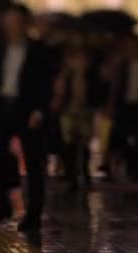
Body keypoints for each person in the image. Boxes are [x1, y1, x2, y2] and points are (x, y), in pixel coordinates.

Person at [0, 4, 50, 230]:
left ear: (25, 24)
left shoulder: (39, 50)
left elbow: (44, 84)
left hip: (26, 108)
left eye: (16, 21)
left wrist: (40, 111)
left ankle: (33, 214)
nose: (11, 26)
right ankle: (3, 203)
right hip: (2, 106)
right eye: (8, 21)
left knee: (33, 162)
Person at [51, 44, 102, 191]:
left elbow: (87, 96)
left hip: (85, 112)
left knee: (84, 144)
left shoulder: (90, 76)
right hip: (68, 112)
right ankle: (71, 175)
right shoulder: (65, 76)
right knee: (69, 145)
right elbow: (60, 94)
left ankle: (84, 172)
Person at [108, 35, 138, 182]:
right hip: (125, 104)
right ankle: (128, 160)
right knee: (121, 135)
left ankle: (136, 169)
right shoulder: (123, 64)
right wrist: (111, 103)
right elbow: (116, 85)